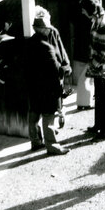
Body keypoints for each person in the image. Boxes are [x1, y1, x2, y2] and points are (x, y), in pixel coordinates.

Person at [27, 12, 69, 156]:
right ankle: (51, 146)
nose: (50, 30)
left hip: (33, 86)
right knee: (48, 116)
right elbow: (55, 69)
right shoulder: (46, 47)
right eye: (47, 28)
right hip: (47, 88)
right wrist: (62, 77)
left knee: (33, 115)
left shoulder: (31, 42)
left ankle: (35, 141)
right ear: (40, 29)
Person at [81, 0, 105, 140]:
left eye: (84, 9)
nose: (82, 12)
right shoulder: (97, 19)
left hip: (103, 69)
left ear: (91, 10)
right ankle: (98, 125)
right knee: (99, 98)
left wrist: (92, 66)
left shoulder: (104, 23)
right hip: (98, 68)